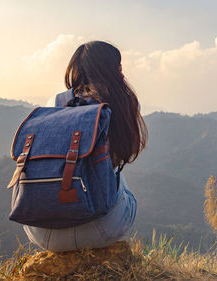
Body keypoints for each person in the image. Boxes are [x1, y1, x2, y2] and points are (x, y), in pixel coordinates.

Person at [23, 41, 147, 252]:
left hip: (41, 231)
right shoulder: (119, 103)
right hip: (100, 230)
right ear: (114, 69)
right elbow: (127, 153)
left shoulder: (54, 101)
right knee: (117, 175)